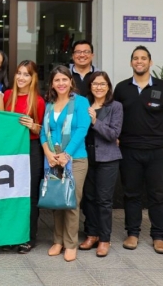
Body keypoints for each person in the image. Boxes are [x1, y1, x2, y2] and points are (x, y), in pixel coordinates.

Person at [114, 46, 163, 255]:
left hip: (158, 151)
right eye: (135, 58)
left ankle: (158, 236)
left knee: (158, 195)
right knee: (131, 194)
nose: (139, 61)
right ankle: (132, 233)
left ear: (150, 62)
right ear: (131, 62)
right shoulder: (122, 88)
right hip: (129, 150)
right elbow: (114, 114)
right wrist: (115, 137)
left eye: (143, 58)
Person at [42, 65, 91, 263]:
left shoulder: (80, 102)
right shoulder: (49, 104)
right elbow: (45, 132)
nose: (61, 83)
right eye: (57, 80)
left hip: (75, 159)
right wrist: (48, 152)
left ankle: (71, 244)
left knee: (70, 201)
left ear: (71, 81)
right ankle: (58, 241)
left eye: (64, 79)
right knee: (56, 200)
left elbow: (82, 128)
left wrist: (67, 154)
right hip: (52, 159)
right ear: (52, 84)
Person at [79, 71, 122, 258]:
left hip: (108, 159)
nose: (98, 87)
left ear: (108, 86)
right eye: (95, 84)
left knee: (104, 200)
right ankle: (92, 234)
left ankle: (105, 239)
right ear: (90, 86)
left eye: (102, 84)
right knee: (88, 198)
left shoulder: (115, 107)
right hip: (86, 157)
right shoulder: (83, 104)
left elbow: (113, 134)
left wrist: (95, 121)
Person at [4, 61, 46, 254]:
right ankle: (12, 235)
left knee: (30, 194)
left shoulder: (37, 100)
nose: (21, 77)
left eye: (26, 74)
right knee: (11, 193)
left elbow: (42, 130)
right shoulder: (7, 96)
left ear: (33, 78)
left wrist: (32, 125)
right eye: (19, 73)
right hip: (11, 151)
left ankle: (29, 237)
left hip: (31, 149)